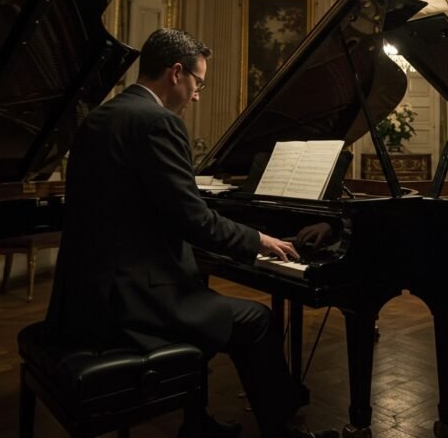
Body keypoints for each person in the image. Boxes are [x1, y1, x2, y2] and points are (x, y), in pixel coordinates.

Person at [45, 28, 337, 438]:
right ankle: (282, 426)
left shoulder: (101, 116)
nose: (198, 94)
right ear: (176, 72)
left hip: (85, 295)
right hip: (132, 302)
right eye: (198, 82)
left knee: (205, 296)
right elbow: (194, 220)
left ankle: (198, 422)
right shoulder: (158, 122)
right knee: (255, 318)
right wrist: (259, 241)